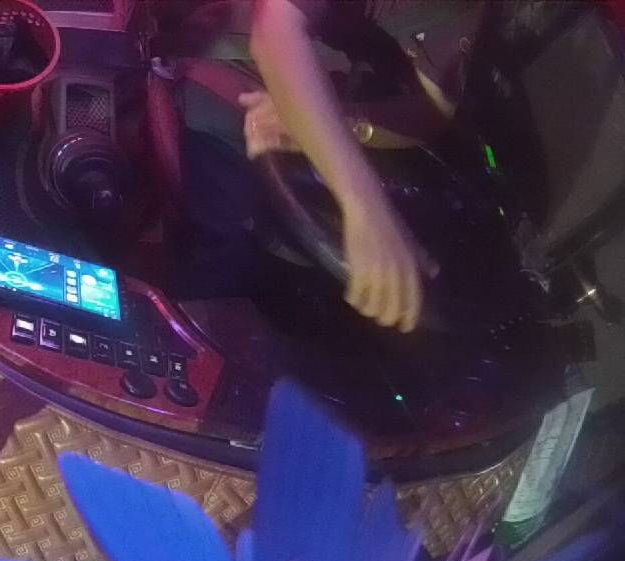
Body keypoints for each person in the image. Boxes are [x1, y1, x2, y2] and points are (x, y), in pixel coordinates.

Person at [176, 0, 483, 333]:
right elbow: (276, 32)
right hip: (234, 76)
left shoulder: (475, 12)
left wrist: (346, 122)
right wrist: (368, 213)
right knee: (231, 251)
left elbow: (429, 111)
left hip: (330, 109)